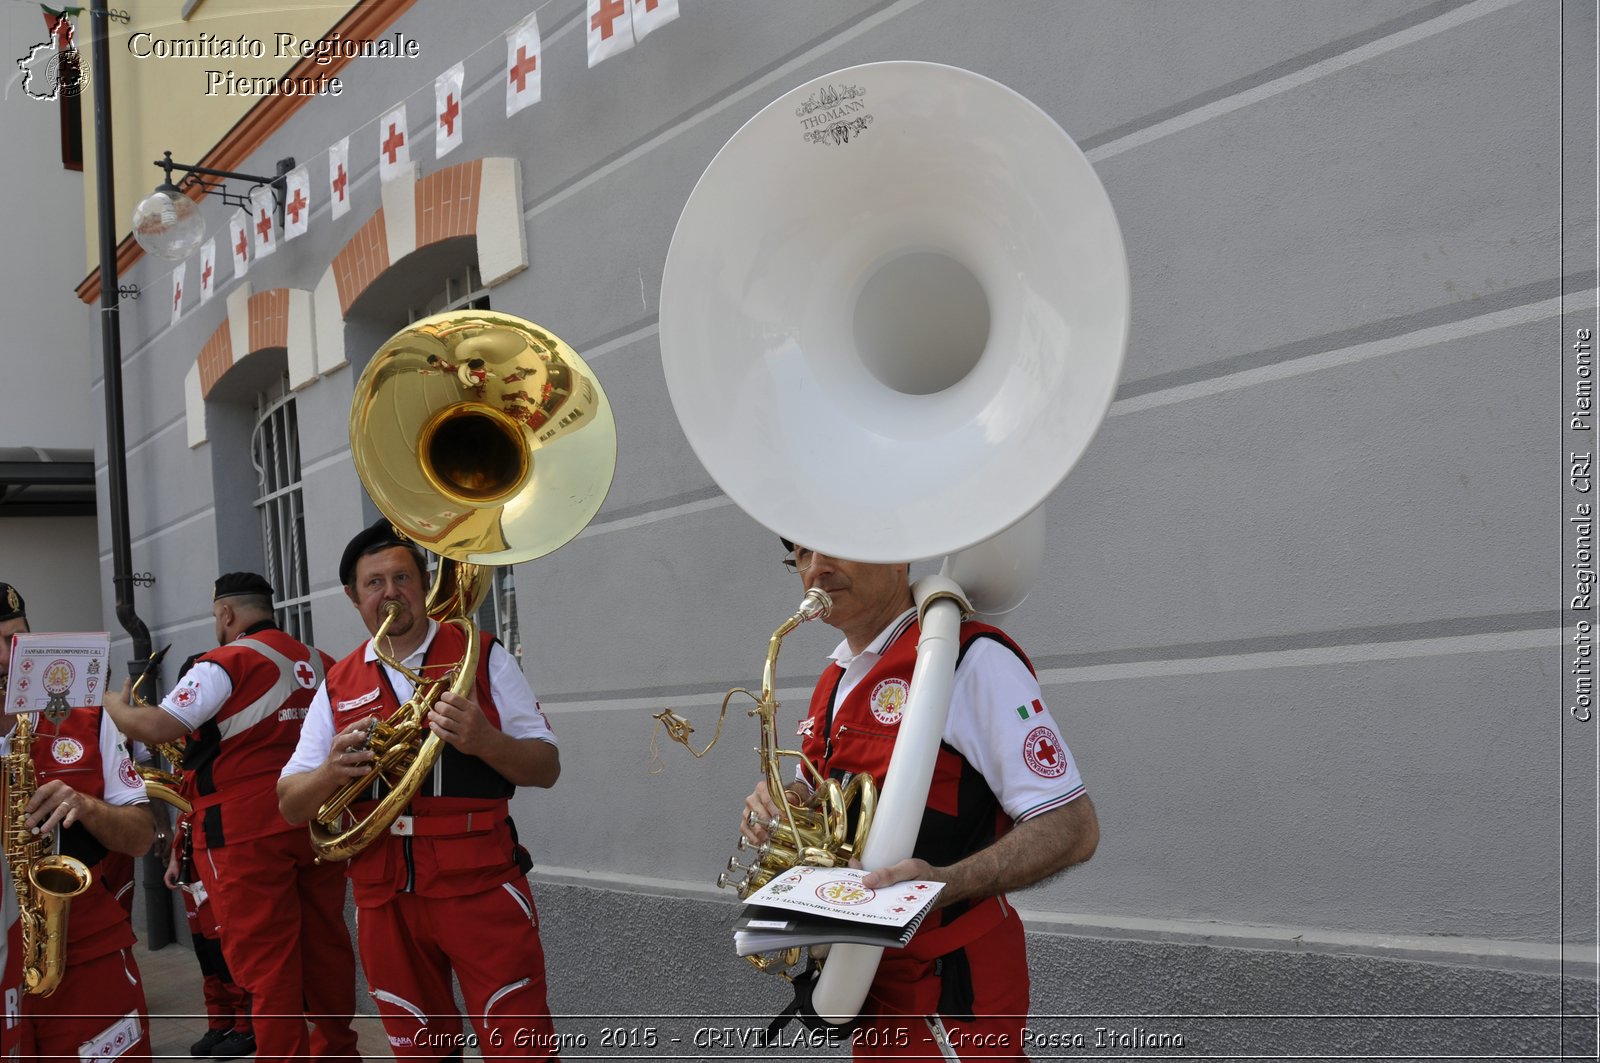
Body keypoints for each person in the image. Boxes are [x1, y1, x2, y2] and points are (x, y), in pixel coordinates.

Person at [741, 544, 1100, 1060]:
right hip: (872, 981)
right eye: (800, 555)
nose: (815, 568)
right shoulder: (835, 678)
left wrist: (946, 884)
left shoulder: (972, 659)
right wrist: (784, 803)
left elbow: (1073, 828)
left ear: (896, 553)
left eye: (836, 547)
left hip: (949, 987)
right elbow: (820, 788)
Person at [278, 521, 562, 1061]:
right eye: (374, 583)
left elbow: (545, 766)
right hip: (384, 897)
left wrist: (484, 740)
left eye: (402, 577)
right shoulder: (338, 684)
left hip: (479, 885)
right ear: (353, 597)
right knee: (420, 1052)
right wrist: (328, 775)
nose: (390, 593)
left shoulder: (481, 654)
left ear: (423, 582)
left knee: (521, 1045)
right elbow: (290, 803)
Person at [104, 572, 360, 1063]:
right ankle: (338, 1053)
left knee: (268, 965)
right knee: (325, 947)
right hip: (316, 823)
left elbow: (158, 727)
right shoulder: (322, 662)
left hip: (244, 834)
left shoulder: (223, 662)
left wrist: (115, 707)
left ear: (225, 614)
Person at [0, 581, 157, 1062]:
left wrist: (87, 807)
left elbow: (142, 835)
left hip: (83, 953)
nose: (7, 660)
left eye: (15, 641)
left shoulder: (86, 718)